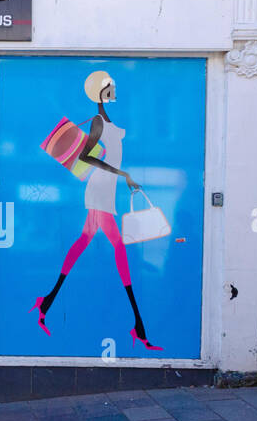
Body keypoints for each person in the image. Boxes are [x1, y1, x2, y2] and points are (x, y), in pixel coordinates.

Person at [32, 70, 161, 349]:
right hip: (100, 189)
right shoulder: (99, 122)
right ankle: (138, 324)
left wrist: (121, 176)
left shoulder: (108, 121)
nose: (113, 88)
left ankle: (47, 301)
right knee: (117, 246)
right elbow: (85, 156)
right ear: (101, 92)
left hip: (106, 189)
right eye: (109, 85)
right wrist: (123, 173)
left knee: (84, 241)